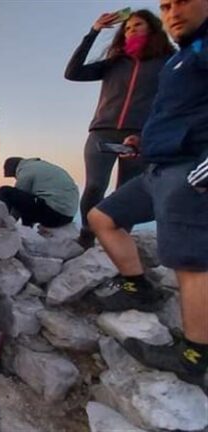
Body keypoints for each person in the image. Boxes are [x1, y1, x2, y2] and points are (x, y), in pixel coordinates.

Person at [87, 0, 208, 384]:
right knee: (101, 216)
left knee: (190, 263)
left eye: (183, 1)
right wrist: (145, 140)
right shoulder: (181, 59)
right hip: (157, 165)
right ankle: (137, 284)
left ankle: (194, 354)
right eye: (166, 4)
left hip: (188, 168)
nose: (173, 11)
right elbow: (171, 113)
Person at [65, 9, 175, 248]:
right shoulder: (115, 62)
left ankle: (118, 240)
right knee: (95, 185)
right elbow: (72, 73)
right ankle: (87, 233)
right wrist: (93, 31)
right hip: (102, 132)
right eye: (127, 28)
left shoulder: (167, 62)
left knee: (126, 192)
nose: (131, 30)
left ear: (152, 29)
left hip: (139, 136)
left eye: (137, 25)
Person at [0, 157, 79, 228]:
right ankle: (27, 229)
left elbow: (18, 203)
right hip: (67, 216)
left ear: (14, 169)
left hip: (54, 213)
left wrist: (11, 221)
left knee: (4, 191)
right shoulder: (39, 166)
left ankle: (0, 223)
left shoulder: (25, 171)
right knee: (30, 200)